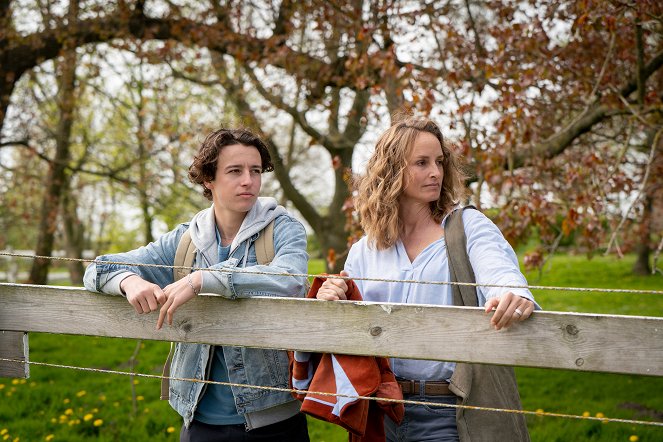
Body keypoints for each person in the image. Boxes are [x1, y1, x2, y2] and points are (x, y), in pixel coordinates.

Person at [316, 115, 539, 441]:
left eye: (439, 162)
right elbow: (351, 330)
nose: (435, 172)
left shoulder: (467, 228)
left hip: (450, 408)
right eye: (421, 163)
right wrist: (333, 298)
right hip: (380, 408)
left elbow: (499, 270)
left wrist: (512, 293)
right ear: (391, 170)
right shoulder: (365, 250)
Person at [84, 128, 310, 441]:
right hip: (198, 422)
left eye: (255, 171)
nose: (249, 180)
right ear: (208, 179)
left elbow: (292, 279)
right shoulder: (184, 241)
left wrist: (204, 278)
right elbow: (98, 268)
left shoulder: (283, 228)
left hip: (275, 421)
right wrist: (128, 281)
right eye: (235, 171)